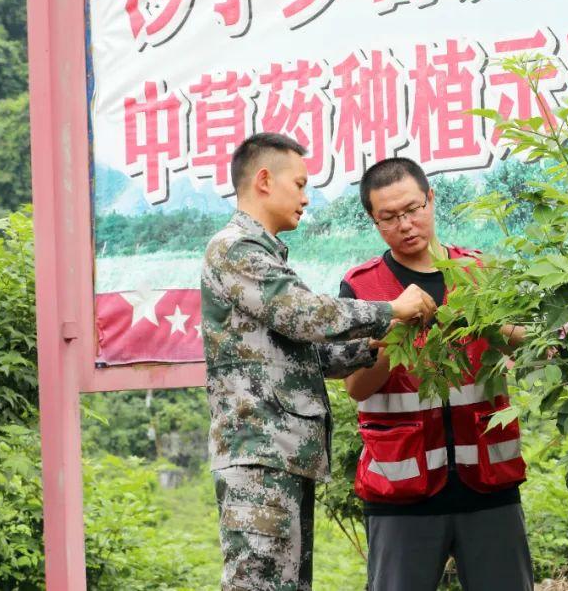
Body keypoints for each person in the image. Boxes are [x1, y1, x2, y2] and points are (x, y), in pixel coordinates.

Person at [201, 133, 437, 591]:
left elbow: (316, 356)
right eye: (301, 183)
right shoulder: (236, 250)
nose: (306, 197)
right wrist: (391, 310)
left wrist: (383, 340)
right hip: (260, 454)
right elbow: (305, 315)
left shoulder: (267, 255)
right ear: (265, 180)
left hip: (283, 454)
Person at [340, 157, 534, 591]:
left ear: (431, 199)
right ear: (373, 221)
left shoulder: (481, 273)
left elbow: (532, 339)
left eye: (413, 209)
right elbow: (357, 387)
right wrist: (394, 333)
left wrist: (489, 324)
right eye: (389, 217)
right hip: (401, 490)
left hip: (488, 482)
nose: (406, 224)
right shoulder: (362, 289)